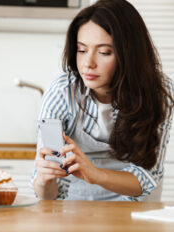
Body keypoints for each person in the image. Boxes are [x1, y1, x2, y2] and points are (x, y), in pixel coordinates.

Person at [31, 0, 174, 201]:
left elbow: (148, 176)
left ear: (129, 54)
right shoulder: (61, 94)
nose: (88, 64)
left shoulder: (158, 92)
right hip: (77, 208)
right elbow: (49, 195)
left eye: (104, 52)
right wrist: (43, 180)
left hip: (137, 209)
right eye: (82, 50)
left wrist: (95, 174)